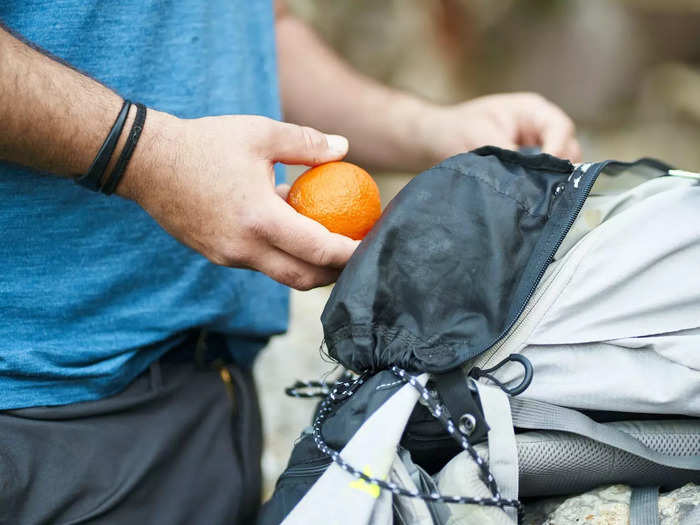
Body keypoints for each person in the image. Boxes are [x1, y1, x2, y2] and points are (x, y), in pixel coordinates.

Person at [0, 1, 580, 523]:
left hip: (208, 392)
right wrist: (143, 155)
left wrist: (432, 129)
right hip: (40, 409)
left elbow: (257, 29)